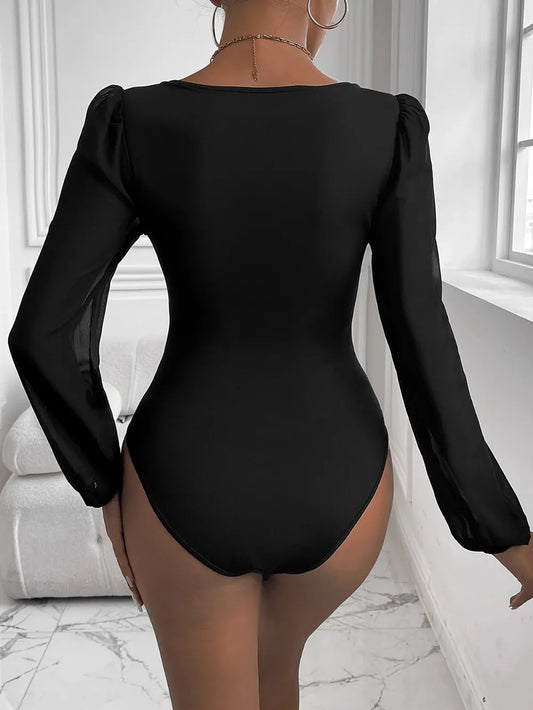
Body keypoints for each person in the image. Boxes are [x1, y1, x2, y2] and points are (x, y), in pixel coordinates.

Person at [7, 0, 533, 707]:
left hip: (185, 476)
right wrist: (503, 533)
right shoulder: (387, 125)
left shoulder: (132, 121)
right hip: (340, 479)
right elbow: (420, 333)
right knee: (273, 673)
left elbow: (42, 331)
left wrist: (101, 483)